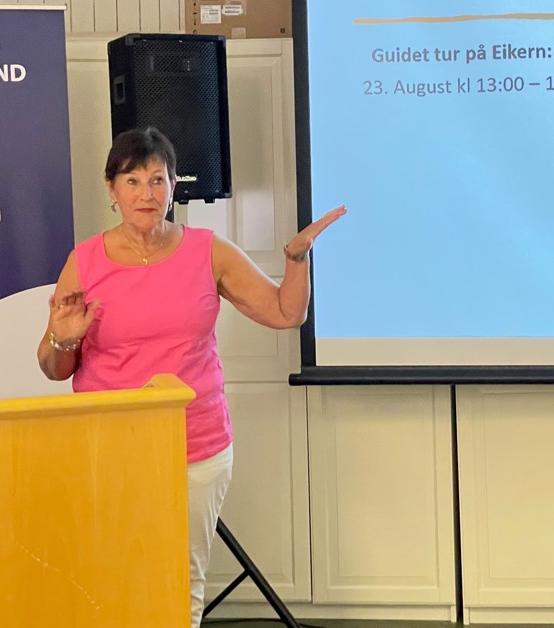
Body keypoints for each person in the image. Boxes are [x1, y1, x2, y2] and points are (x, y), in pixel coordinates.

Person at [36, 126, 345, 627]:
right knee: (112, 574)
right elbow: (54, 368)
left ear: (174, 186)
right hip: (107, 445)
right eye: (132, 181)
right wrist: (64, 337)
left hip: (196, 445)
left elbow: (285, 312)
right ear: (111, 189)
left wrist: (296, 258)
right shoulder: (85, 260)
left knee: (181, 578)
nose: (146, 193)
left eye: (157, 179)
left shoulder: (207, 250)